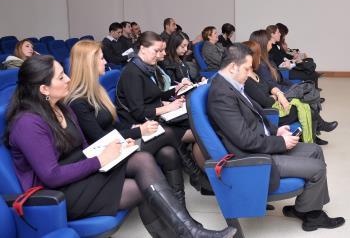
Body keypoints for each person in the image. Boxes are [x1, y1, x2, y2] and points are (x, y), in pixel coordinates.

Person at [5, 55, 236, 238]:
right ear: (44, 89)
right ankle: (190, 231)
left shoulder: (60, 107)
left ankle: (190, 231)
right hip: (57, 193)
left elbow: (84, 147)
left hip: (79, 175)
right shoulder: (28, 123)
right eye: (60, 77)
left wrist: (114, 148)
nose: (67, 79)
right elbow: (52, 176)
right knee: (144, 187)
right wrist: (100, 160)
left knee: (142, 161)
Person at [207, 43, 345, 232]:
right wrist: (280, 142)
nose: (249, 74)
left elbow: (256, 117)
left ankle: (305, 210)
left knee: (314, 150)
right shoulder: (221, 94)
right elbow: (244, 140)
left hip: (261, 143)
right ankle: (313, 217)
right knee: (318, 168)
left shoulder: (231, 85)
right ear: (232, 67)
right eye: (247, 69)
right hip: (254, 157)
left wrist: (276, 130)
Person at [66, 40, 190, 208]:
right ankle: (195, 175)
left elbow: (111, 125)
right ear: (89, 64)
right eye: (101, 59)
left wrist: (134, 128)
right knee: (166, 132)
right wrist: (138, 132)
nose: (105, 62)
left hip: (119, 141)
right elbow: (100, 138)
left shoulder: (97, 91)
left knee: (168, 153)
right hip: (107, 152)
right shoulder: (77, 102)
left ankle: (179, 207)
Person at [116, 31, 211, 192]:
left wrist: (175, 92)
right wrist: (168, 107)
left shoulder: (146, 68)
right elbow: (139, 112)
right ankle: (199, 178)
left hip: (154, 121)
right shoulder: (132, 73)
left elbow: (153, 95)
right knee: (195, 132)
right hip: (139, 128)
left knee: (191, 133)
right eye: (157, 51)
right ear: (142, 48)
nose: (162, 54)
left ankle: (200, 179)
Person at [266, 24, 320, 89]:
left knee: (310, 66)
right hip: (284, 71)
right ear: (272, 34)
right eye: (278, 32)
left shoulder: (275, 45)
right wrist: (293, 61)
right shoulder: (271, 48)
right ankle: (313, 92)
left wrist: (293, 58)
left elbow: (283, 56)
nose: (280, 34)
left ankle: (313, 90)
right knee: (312, 72)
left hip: (288, 67)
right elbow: (279, 63)